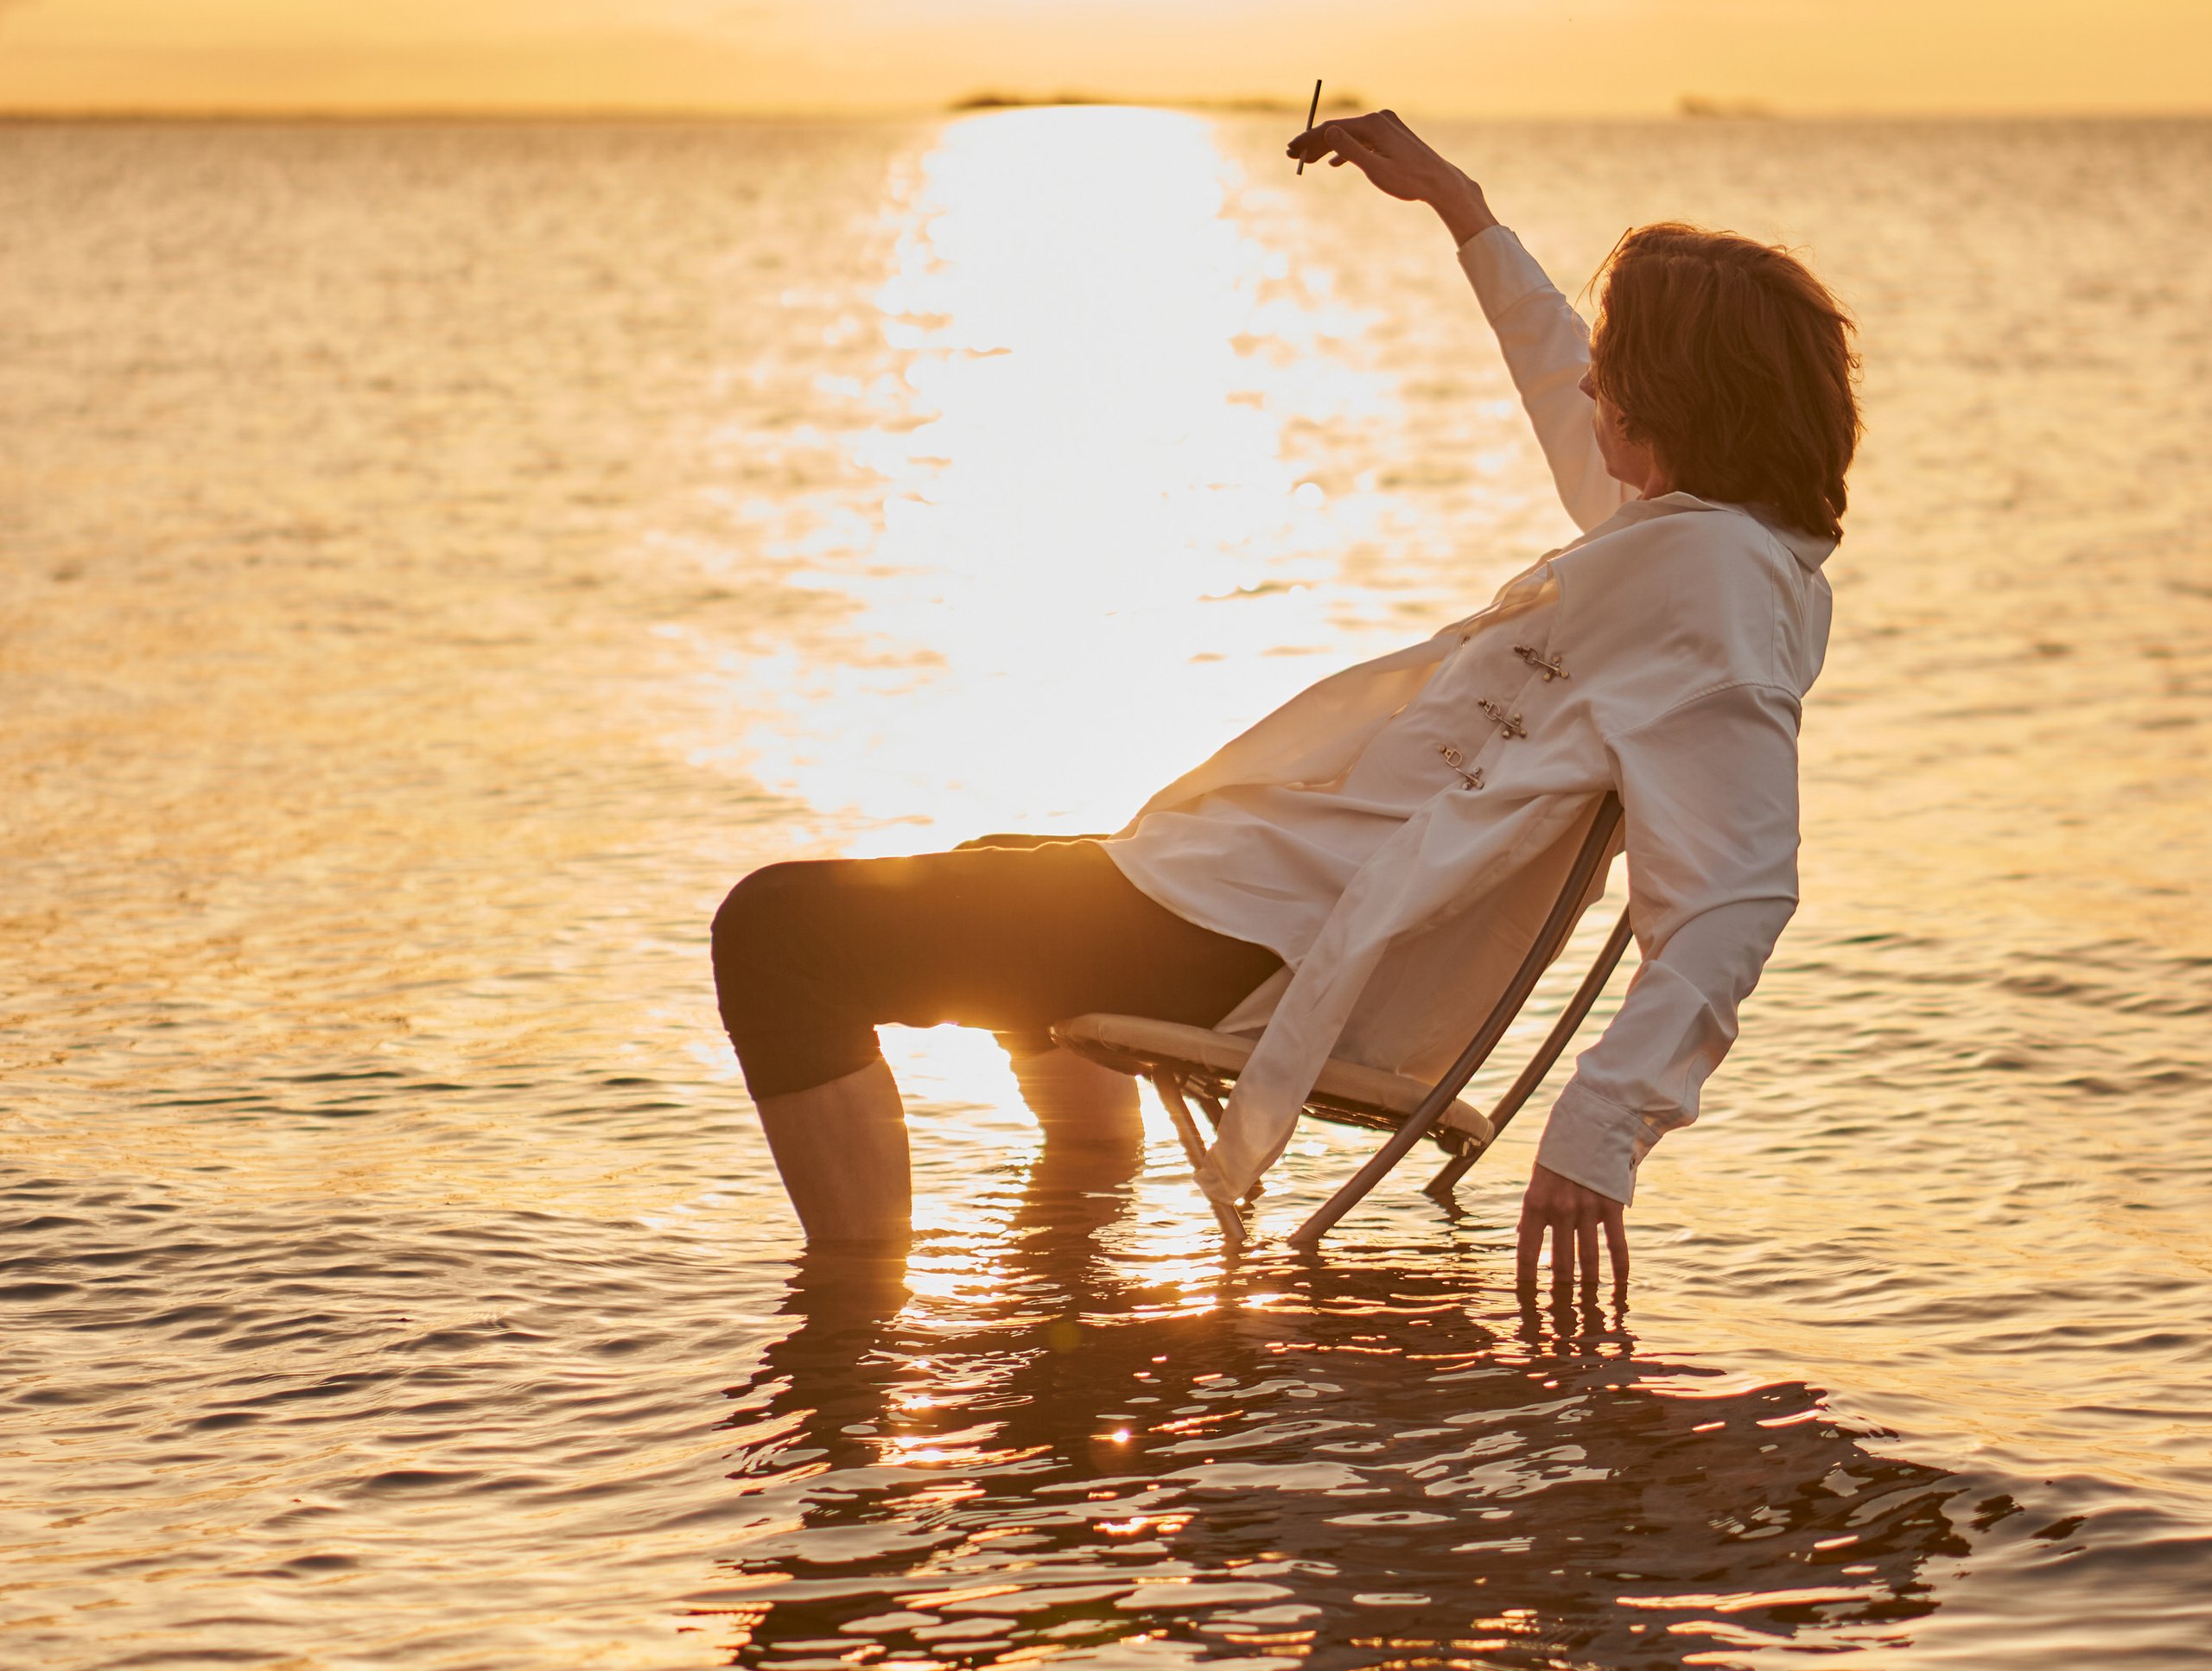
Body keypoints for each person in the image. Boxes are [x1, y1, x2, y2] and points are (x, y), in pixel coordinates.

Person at [713, 111, 1861, 1302]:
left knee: (777, 933)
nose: (1588, 379)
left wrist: (1599, 1132)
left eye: (1614, 363)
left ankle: (853, 1314)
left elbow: (1735, 896)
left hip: (1251, 941)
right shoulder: (1703, 546)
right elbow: (1571, 405)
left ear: (1678, 396)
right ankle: (1079, 1234)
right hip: (1254, 909)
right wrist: (1465, 213)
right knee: (993, 860)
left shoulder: (1712, 584)